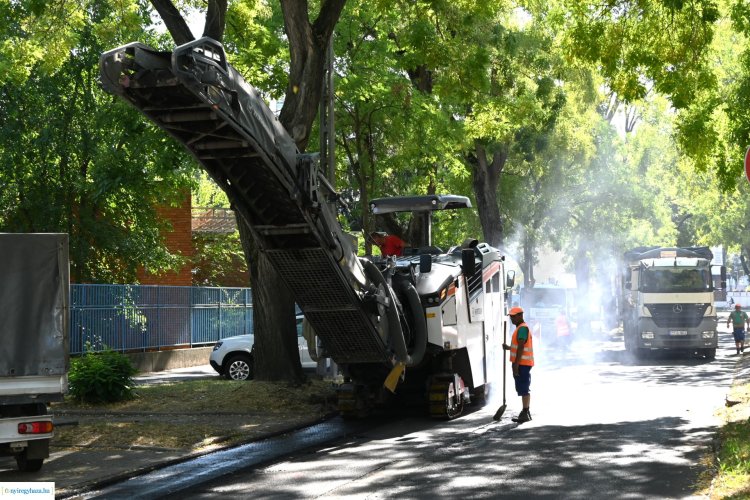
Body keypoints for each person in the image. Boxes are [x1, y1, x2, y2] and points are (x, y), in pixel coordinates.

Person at [502, 306, 534, 423]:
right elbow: (519, 347)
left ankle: (525, 412)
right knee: (522, 387)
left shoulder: (522, 328)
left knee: (524, 388)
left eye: (514, 316)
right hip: (522, 363)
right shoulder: (520, 328)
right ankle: (526, 412)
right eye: (511, 317)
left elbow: (521, 347)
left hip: (522, 364)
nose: (512, 319)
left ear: (520, 315)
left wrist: (516, 364)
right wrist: (509, 348)